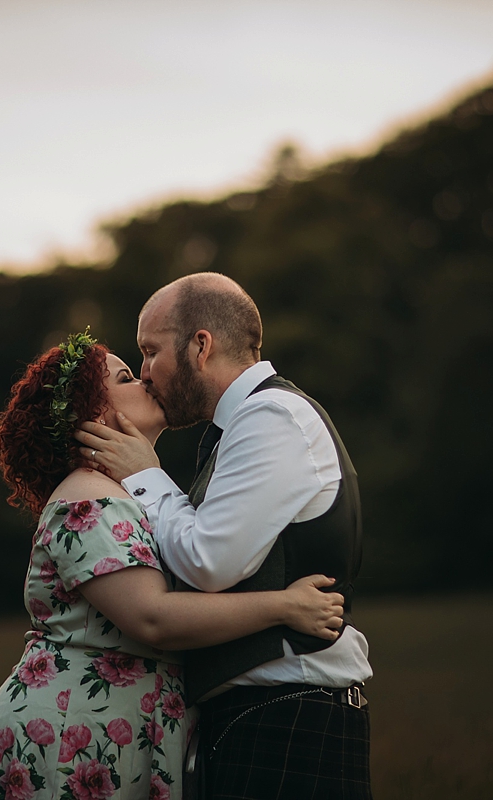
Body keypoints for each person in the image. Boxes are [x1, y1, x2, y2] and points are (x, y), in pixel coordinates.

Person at [0, 329, 347, 800]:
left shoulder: (126, 495)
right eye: (125, 377)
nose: (145, 377)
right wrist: (284, 607)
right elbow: (152, 617)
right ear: (94, 413)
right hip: (66, 738)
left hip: (117, 736)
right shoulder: (89, 495)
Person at [74, 273, 374, 800]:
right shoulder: (243, 426)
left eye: (150, 352)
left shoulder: (271, 417)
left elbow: (210, 561)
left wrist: (145, 473)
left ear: (201, 344)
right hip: (268, 712)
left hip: (290, 716)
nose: (145, 373)